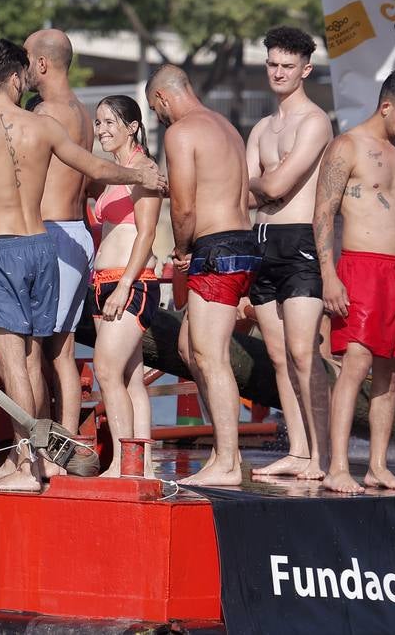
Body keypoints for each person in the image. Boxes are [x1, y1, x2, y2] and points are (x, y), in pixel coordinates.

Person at [0, 39, 164, 493]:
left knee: (14, 363)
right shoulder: (40, 127)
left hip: (2, 248)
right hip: (43, 246)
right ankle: (44, 460)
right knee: (39, 356)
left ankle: (30, 463)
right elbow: (92, 167)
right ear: (16, 77)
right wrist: (140, 175)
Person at [314, 66, 395, 495]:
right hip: (361, 267)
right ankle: (336, 468)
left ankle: (378, 467)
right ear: (385, 106)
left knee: (390, 372)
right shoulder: (347, 146)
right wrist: (329, 274)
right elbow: (323, 213)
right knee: (355, 366)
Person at [147, 64, 260, 487]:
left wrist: (180, 249)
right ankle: (222, 449)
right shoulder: (227, 127)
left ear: (161, 99)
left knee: (210, 357)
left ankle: (229, 460)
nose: (161, 119)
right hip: (241, 243)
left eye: (157, 112)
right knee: (188, 348)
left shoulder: (181, 133)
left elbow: (184, 206)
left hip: (216, 250)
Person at [243, 27, 333, 480]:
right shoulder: (261, 127)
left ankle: (322, 455)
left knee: (304, 352)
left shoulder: (315, 121)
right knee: (278, 356)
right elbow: (244, 195)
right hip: (262, 241)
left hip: (300, 241)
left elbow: (273, 185)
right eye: (272, 64)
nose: (278, 72)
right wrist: (260, 186)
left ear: (306, 70)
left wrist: (262, 183)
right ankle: (298, 450)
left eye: (287, 66)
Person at [23, 29, 94, 456]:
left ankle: (36, 449)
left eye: (27, 59)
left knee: (30, 348)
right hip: (77, 232)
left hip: (50, 233)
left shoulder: (46, 113)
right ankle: (67, 444)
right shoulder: (82, 112)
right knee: (62, 351)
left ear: (43, 64)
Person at [89, 95, 163, 477]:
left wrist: (124, 286)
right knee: (130, 376)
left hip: (131, 283)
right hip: (104, 282)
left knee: (105, 369)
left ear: (133, 127)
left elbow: (147, 233)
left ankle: (122, 461)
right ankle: (144, 466)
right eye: (98, 122)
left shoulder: (144, 170)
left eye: (109, 122)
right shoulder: (113, 173)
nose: (101, 129)